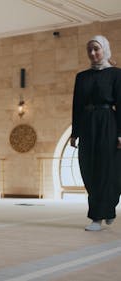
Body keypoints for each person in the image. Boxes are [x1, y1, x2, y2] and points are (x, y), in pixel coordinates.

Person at [70, 35, 121, 231]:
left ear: (105, 49)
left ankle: (97, 217)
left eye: (96, 49)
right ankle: (106, 209)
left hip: (108, 123)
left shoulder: (116, 74)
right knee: (88, 169)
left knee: (106, 170)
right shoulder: (81, 77)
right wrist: (75, 133)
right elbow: (77, 106)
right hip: (87, 124)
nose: (92, 53)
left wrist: (120, 133)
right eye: (89, 50)